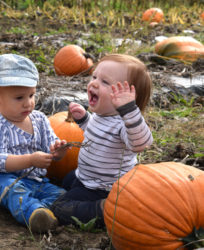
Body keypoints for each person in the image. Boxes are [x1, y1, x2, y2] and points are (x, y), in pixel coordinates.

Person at [51, 53, 153, 227]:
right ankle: (89, 200)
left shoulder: (125, 125)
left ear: (128, 99)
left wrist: (130, 111)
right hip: (86, 177)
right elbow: (96, 133)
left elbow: (141, 143)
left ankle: (103, 210)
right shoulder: (101, 115)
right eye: (95, 77)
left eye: (105, 82)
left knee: (59, 207)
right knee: (67, 180)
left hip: (103, 189)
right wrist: (84, 119)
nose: (94, 83)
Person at [0, 54, 69, 233]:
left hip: (37, 181)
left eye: (31, 95)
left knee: (62, 197)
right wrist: (30, 160)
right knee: (13, 190)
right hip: (0, 178)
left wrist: (58, 150)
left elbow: (51, 143)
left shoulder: (40, 119)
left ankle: (42, 211)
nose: (28, 103)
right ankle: (33, 214)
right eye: (19, 98)